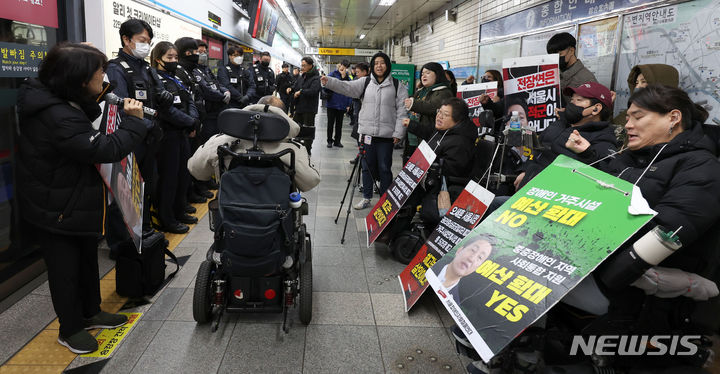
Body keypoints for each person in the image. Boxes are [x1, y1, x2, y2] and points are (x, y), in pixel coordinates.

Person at [565, 85, 720, 357]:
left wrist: (604, 269)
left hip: (626, 284)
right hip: (590, 258)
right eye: (627, 118)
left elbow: (669, 228)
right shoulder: (638, 155)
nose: (628, 125)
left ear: (673, 118)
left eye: (638, 117)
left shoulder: (700, 167)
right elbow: (611, 181)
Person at [15, 42, 148, 354]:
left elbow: (87, 108)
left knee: (87, 261)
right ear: (77, 79)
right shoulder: (57, 115)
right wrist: (135, 122)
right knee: (65, 271)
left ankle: (92, 311)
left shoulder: (61, 97)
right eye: (99, 73)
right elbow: (103, 149)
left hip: (73, 198)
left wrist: (101, 88)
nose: (104, 77)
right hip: (57, 206)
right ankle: (70, 328)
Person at [105, 18, 172, 240]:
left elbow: (159, 95)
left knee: (146, 187)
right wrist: (147, 124)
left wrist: (165, 97)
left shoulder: (146, 68)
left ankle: (143, 231)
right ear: (126, 39)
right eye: (142, 40)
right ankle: (121, 241)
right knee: (125, 192)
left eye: (149, 41)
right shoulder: (116, 68)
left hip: (150, 139)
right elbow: (122, 106)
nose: (146, 45)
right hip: (130, 139)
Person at [321, 52, 408, 210]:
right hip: (366, 134)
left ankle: (385, 200)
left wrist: (398, 133)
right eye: (376, 63)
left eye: (382, 63)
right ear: (372, 67)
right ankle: (366, 197)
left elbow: (402, 112)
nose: (379, 66)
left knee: (384, 168)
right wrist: (329, 82)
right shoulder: (365, 82)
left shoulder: (397, 85)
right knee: (366, 167)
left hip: (386, 136)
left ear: (387, 65)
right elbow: (346, 87)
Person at [187, 96, 321, 192]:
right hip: (276, 219)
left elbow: (195, 170)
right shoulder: (292, 149)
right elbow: (310, 182)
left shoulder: (221, 141)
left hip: (232, 216)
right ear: (284, 118)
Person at [514, 82, 617, 190]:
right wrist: (526, 170)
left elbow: (605, 177)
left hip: (552, 198)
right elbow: (537, 149)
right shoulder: (559, 123)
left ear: (595, 109)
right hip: (526, 190)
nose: (572, 104)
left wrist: (586, 153)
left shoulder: (602, 139)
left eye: (579, 100)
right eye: (572, 100)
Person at [150, 41, 200, 234]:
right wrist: (189, 121)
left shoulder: (175, 79)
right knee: (168, 179)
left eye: (176, 58)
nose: (173, 61)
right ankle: (167, 219)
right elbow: (167, 111)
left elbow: (189, 101)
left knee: (182, 175)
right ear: (158, 59)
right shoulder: (156, 80)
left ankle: (179, 210)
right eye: (169, 57)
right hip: (167, 136)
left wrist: (193, 120)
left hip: (182, 134)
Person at [611, 64, 679, 141]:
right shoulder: (630, 111)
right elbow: (610, 131)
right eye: (636, 83)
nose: (637, 87)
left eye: (643, 82)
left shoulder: (674, 117)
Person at [402, 62, 453, 162]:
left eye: (428, 73)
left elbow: (433, 107)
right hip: (413, 137)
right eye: (422, 74)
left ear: (437, 74)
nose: (423, 76)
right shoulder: (422, 91)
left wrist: (413, 104)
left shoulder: (444, 92)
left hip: (429, 138)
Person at [437, 235, 493, 303]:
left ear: (478, 267)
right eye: (473, 250)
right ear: (459, 250)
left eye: (480, 257)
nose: (471, 259)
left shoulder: (454, 302)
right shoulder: (431, 264)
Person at [195, 39, 230, 144]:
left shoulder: (206, 69)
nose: (203, 54)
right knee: (207, 141)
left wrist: (226, 91)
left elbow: (217, 83)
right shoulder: (194, 70)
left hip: (216, 110)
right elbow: (206, 89)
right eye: (200, 52)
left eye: (205, 52)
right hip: (207, 113)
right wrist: (222, 97)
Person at [288, 56, 321, 155]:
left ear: (310, 66)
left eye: (304, 65)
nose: (302, 67)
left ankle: (307, 149)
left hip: (309, 109)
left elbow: (314, 91)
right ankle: (296, 144)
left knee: (308, 130)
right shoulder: (302, 76)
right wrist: (291, 89)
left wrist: (301, 92)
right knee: (294, 126)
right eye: (301, 65)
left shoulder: (316, 78)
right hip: (299, 107)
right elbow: (297, 86)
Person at [324, 60, 353, 148]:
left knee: (339, 124)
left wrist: (348, 104)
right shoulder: (332, 74)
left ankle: (337, 141)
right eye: (342, 65)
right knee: (330, 124)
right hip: (332, 103)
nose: (343, 68)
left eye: (346, 67)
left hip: (342, 104)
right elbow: (326, 86)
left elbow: (349, 91)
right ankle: (329, 141)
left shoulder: (348, 77)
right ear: (339, 65)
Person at [349, 62, 370, 155]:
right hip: (359, 112)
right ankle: (360, 155)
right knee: (358, 135)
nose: (356, 74)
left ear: (365, 72)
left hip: (366, 116)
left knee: (363, 137)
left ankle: (363, 156)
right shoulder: (359, 82)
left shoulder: (369, 84)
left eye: (358, 72)